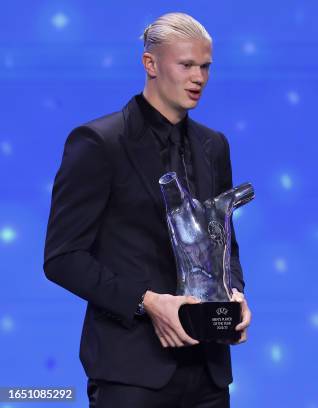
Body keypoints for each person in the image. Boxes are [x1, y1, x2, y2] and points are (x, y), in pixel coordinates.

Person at [43, 12, 251, 408]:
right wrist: (148, 302)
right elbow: (62, 258)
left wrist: (235, 293)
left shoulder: (214, 146)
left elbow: (226, 243)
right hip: (131, 372)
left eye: (206, 66)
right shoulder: (98, 143)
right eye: (187, 65)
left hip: (209, 370)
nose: (199, 78)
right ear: (150, 64)